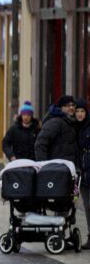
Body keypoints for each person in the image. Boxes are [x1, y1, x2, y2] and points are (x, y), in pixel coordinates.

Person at [35, 95, 78, 164]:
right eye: (67, 105)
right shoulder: (55, 122)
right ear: (61, 107)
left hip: (66, 167)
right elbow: (40, 143)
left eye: (73, 105)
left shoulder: (70, 122)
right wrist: (43, 165)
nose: (71, 107)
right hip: (56, 168)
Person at [77, 98, 90, 249]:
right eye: (78, 111)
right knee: (87, 206)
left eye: (83, 111)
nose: (80, 114)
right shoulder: (75, 128)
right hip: (83, 173)